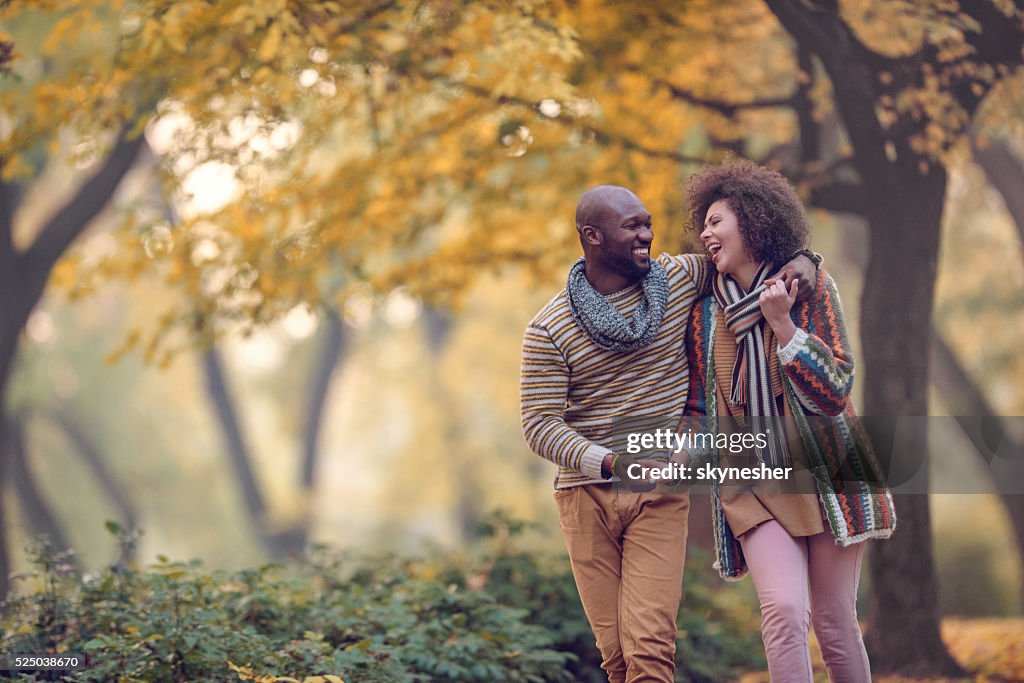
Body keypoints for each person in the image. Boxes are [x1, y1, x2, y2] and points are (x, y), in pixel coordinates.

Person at [520, 184, 819, 682]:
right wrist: (612, 462)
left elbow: (747, 254)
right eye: (632, 227)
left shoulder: (678, 278)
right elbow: (539, 424)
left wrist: (806, 258)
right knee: (616, 656)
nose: (647, 235)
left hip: (660, 488)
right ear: (591, 237)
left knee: (651, 649)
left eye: (648, 223)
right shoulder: (549, 329)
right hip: (585, 496)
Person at [681, 159, 896, 683]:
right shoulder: (704, 312)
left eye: (716, 220)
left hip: (827, 476)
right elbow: (697, 402)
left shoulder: (810, 290)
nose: (706, 233)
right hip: (752, 484)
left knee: (834, 621)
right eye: (703, 224)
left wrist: (783, 327)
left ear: (753, 221)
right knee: (782, 613)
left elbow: (834, 390)